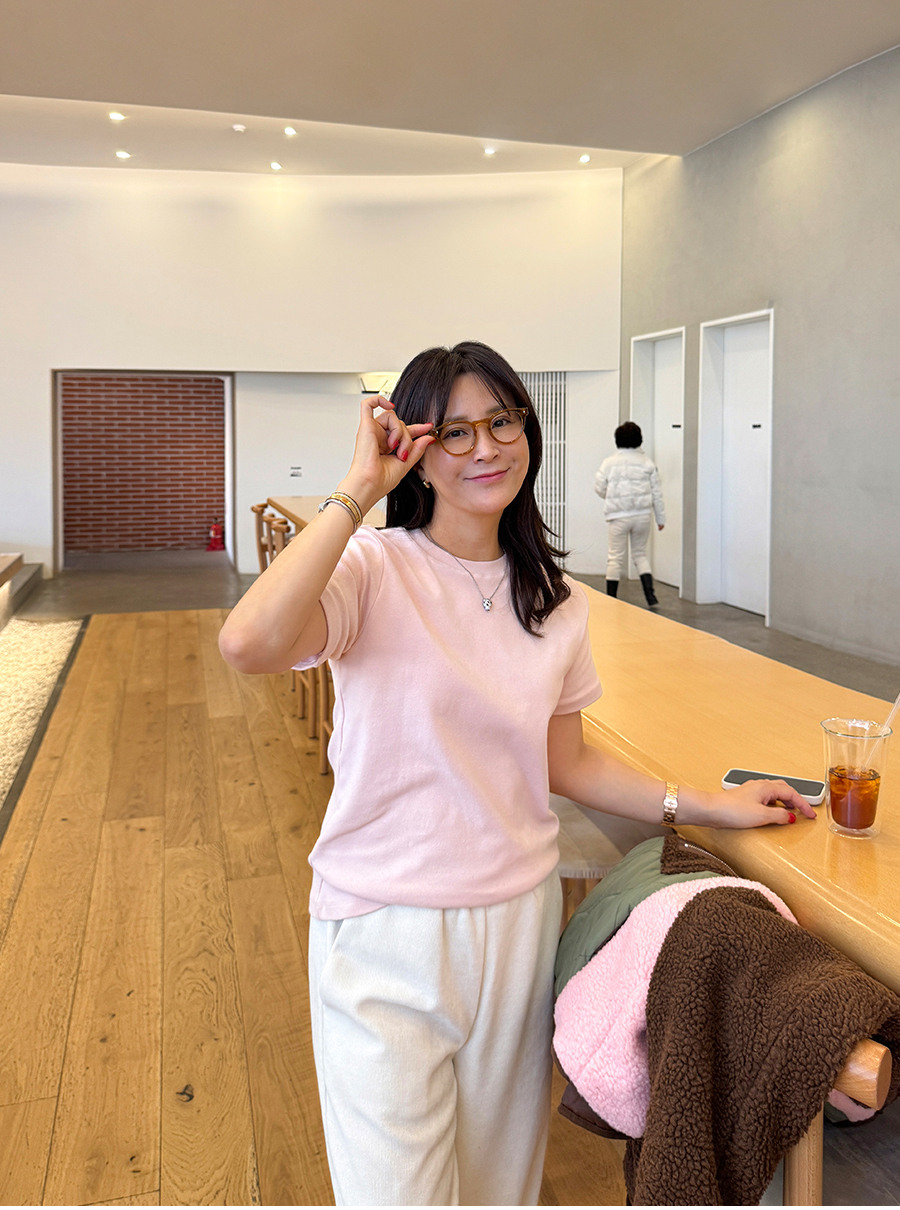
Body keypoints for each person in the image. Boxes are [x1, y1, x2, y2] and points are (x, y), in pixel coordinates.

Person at [218, 341, 814, 1207]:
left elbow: (566, 762)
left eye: (501, 422)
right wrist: (358, 489)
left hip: (516, 923)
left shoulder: (555, 600)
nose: (486, 448)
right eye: (454, 432)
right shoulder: (374, 569)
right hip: (383, 926)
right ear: (415, 450)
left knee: (500, 1190)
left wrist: (712, 806)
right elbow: (248, 643)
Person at [594, 420, 666, 608]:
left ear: (617, 440)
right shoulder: (648, 463)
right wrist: (660, 519)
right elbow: (657, 494)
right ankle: (651, 598)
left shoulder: (609, 463)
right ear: (639, 440)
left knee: (615, 557)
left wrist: (610, 496)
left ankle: (611, 598)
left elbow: (599, 487)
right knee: (640, 555)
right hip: (642, 516)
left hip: (617, 516)